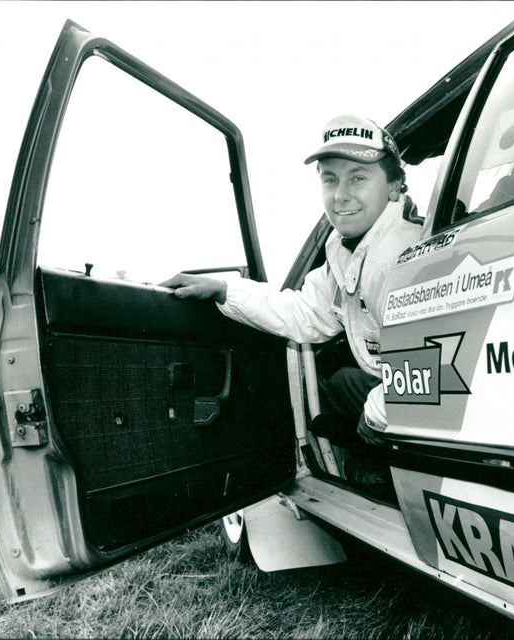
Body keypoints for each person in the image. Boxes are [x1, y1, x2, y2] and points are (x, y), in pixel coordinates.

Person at [160, 115, 423, 487]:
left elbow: (425, 373)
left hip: (430, 398)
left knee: (358, 409)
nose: (340, 195)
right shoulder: (352, 248)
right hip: (400, 384)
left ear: (394, 185)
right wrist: (224, 289)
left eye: (358, 178)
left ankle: (378, 475)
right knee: (347, 381)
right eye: (330, 179)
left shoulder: (397, 254)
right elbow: (306, 313)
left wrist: (373, 424)